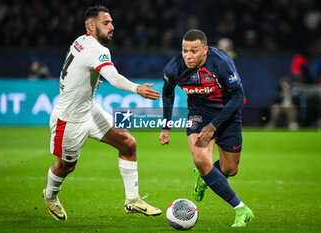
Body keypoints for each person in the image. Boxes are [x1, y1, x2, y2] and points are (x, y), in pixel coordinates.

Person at [42, 5, 162, 220]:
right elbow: (113, 77)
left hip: (89, 109)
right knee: (66, 166)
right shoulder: (96, 50)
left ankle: (132, 200)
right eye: (106, 23)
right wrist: (137, 89)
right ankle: (50, 196)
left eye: (111, 22)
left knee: (128, 143)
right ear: (91, 26)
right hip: (69, 119)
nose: (112, 27)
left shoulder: (81, 40)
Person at [159, 29, 254, 227]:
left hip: (227, 114)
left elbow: (238, 97)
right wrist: (166, 125)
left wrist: (215, 125)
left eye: (194, 51)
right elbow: (167, 93)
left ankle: (204, 179)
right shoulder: (174, 67)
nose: (188, 55)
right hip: (199, 114)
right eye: (185, 50)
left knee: (230, 169)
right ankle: (240, 208)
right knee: (201, 159)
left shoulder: (221, 62)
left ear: (205, 50)